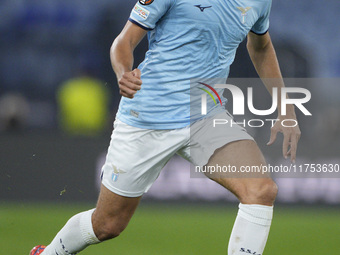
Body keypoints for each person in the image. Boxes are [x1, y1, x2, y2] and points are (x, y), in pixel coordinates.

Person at [30, 0, 301, 254]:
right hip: (148, 115)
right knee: (107, 225)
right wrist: (124, 72)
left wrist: (285, 108)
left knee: (261, 190)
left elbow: (261, 46)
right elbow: (123, 41)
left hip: (205, 116)